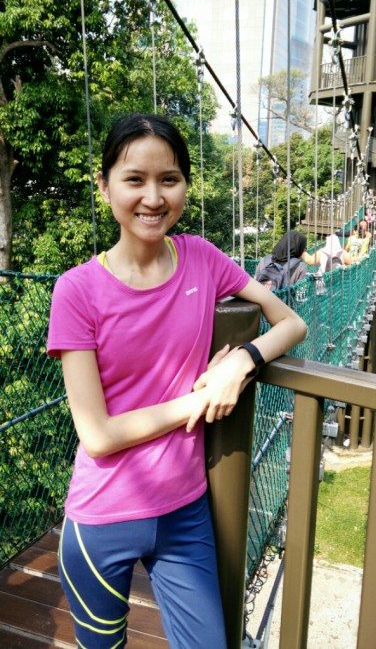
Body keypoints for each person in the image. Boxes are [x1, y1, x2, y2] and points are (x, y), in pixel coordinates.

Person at [46, 113, 307, 649]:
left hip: (185, 511)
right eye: (134, 179)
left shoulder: (202, 259)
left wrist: (242, 362)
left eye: (169, 179)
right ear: (105, 187)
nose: (153, 196)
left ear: (185, 184)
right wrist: (201, 398)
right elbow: (97, 434)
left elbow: (292, 323)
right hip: (101, 519)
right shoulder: (76, 291)